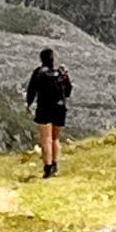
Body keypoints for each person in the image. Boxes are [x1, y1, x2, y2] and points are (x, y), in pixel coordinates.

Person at [26, 46, 71, 178]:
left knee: (46, 139)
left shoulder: (39, 72)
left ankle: (47, 167)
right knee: (55, 138)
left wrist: (28, 103)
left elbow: (31, 90)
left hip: (44, 108)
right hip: (59, 107)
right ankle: (55, 165)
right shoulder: (61, 73)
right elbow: (68, 91)